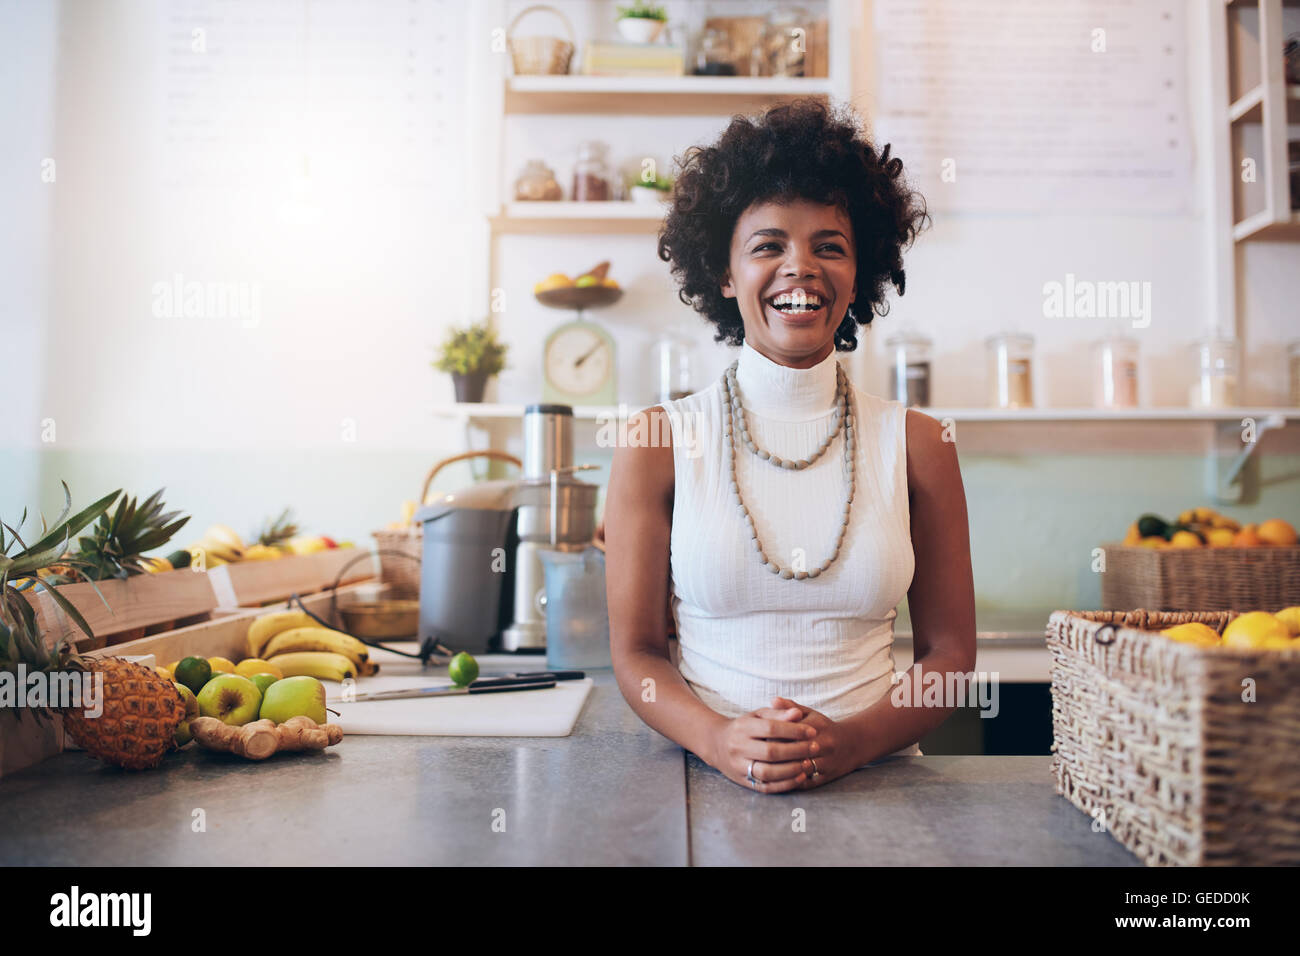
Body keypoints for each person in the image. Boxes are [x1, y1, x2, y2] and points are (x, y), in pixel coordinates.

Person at [602, 98, 976, 793]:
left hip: (881, 790)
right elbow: (637, 655)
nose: (799, 268)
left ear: (861, 272)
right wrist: (719, 740)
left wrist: (850, 743)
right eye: (768, 245)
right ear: (724, 272)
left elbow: (949, 658)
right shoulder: (658, 441)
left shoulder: (920, 443)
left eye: (828, 246)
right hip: (706, 791)